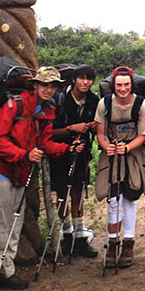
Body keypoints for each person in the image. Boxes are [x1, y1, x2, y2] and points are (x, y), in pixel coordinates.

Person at [0, 66, 83, 291]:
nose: (49, 89)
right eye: (45, 85)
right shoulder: (16, 105)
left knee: (13, 225)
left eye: (53, 86)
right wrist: (23, 154)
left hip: (20, 174)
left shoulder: (46, 110)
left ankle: (5, 272)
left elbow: (43, 144)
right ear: (35, 85)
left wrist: (67, 149)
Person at [94, 66, 145, 267]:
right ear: (113, 85)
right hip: (111, 155)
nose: (123, 89)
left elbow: (143, 135)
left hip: (133, 154)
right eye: (119, 85)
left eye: (126, 84)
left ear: (132, 84)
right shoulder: (105, 103)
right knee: (113, 199)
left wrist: (126, 148)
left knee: (130, 197)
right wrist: (106, 146)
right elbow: (100, 132)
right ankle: (112, 243)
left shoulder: (142, 105)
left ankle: (128, 242)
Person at [50, 64, 100, 258]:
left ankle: (80, 237)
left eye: (89, 79)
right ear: (74, 79)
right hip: (59, 153)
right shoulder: (59, 99)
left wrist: (94, 127)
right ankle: (67, 234)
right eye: (82, 78)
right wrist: (71, 129)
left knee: (78, 192)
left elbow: (99, 127)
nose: (85, 82)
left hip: (82, 153)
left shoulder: (94, 100)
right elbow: (49, 132)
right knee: (62, 194)